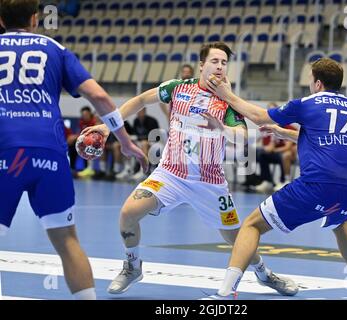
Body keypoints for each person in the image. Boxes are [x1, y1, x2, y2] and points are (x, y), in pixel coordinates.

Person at [83, 42, 298, 296]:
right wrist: (109, 127)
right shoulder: (178, 88)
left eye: (224, 63)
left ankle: (264, 273)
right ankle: (132, 266)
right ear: (201, 65)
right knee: (128, 213)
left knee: (236, 238)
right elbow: (141, 100)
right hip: (170, 175)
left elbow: (241, 137)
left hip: (210, 183)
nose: (219, 67)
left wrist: (221, 128)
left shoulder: (228, 102)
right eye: (215, 61)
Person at [0, 0, 147, 300]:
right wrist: (125, 141)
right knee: (67, 241)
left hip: (5, 151)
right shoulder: (54, 48)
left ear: (1, 20)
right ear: (35, 19)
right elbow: (100, 97)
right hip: (50, 153)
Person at [204, 58, 347, 300]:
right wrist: (285, 133)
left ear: (317, 83)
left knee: (252, 225)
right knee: (340, 223)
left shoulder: (308, 103)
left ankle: (227, 292)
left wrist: (227, 94)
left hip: (317, 187)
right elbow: (328, 142)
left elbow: (260, 117)